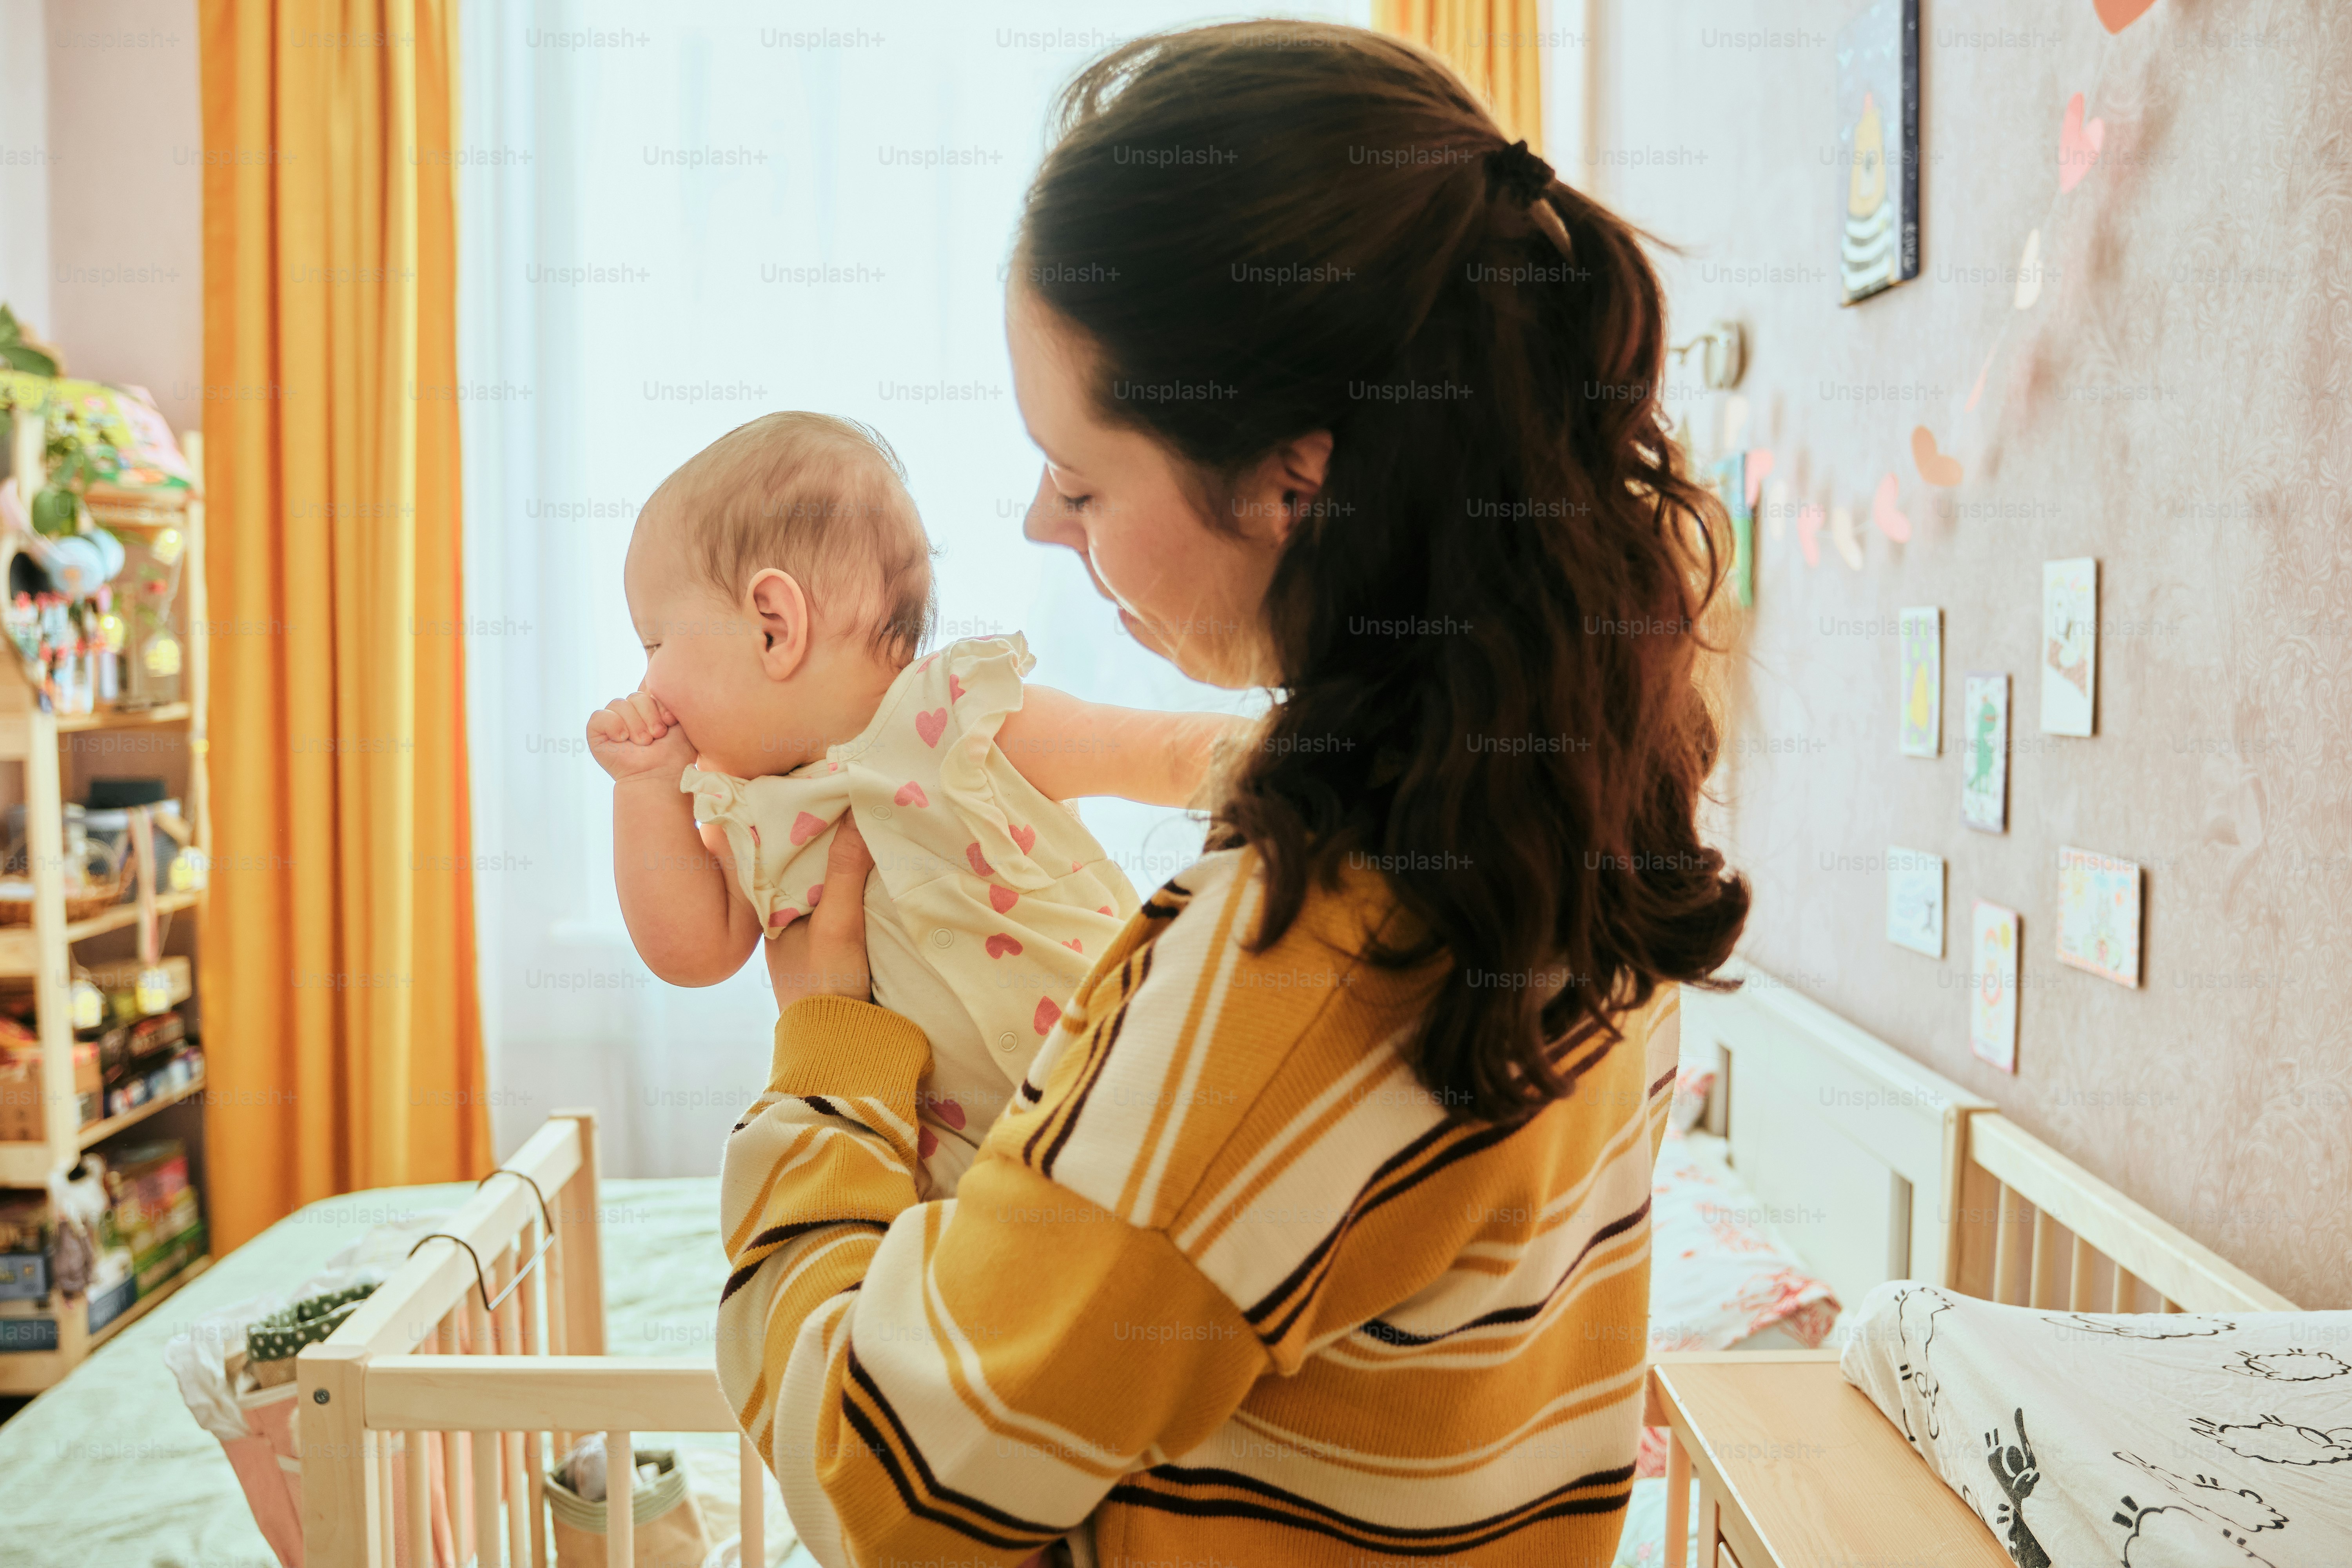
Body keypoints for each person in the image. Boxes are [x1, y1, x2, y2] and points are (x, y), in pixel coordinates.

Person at [714, 21, 1749, 1566]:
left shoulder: (1305, 958)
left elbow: (889, 1485)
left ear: (1295, 480)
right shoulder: (1566, 804)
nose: (1040, 525)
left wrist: (828, 1059)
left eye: (1080, 482)